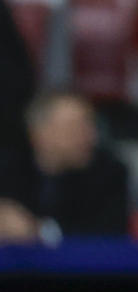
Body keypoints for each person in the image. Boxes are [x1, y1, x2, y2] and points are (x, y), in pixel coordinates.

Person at [25, 88, 128, 237]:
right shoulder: (9, 172)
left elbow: (106, 239)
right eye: (74, 127)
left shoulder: (109, 173)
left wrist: (40, 230)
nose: (90, 136)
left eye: (91, 125)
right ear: (39, 133)